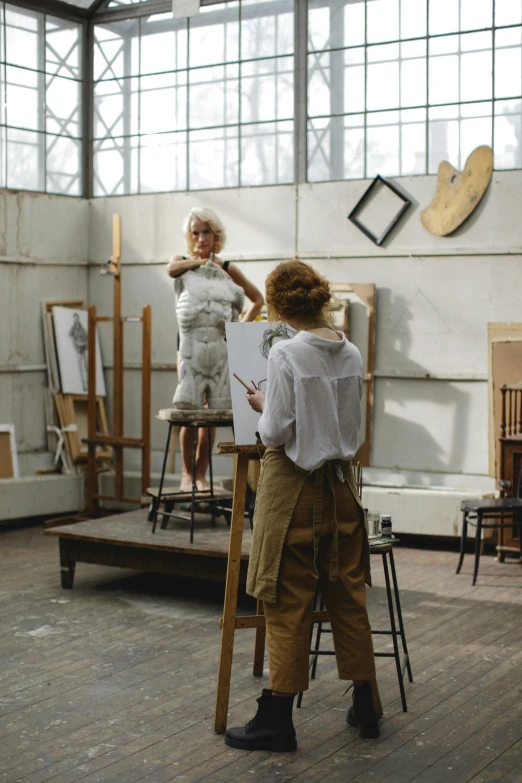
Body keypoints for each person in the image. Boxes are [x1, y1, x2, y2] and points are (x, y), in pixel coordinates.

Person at [225, 260, 382, 752]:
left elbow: (275, 432)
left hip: (293, 490)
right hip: (341, 488)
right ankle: (366, 706)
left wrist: (259, 407)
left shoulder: (286, 354)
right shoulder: (351, 351)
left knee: (285, 601)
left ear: (277, 305)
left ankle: (276, 720)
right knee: (347, 594)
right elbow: (349, 427)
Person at [167, 207, 264, 492]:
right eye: (195, 232)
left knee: (210, 415)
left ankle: (200, 473)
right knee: (189, 409)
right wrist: (197, 263)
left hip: (219, 348)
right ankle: (186, 473)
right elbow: (170, 269)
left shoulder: (227, 268)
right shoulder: (182, 262)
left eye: (205, 231)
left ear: (215, 234)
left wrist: (238, 329)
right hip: (188, 346)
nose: (200, 238)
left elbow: (257, 298)